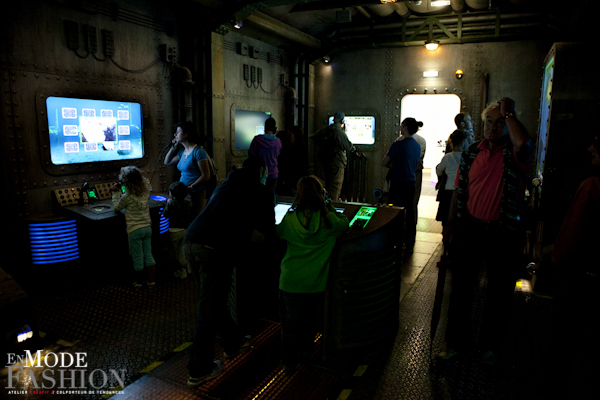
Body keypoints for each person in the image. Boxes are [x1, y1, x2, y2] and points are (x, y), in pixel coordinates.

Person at [438, 98, 533, 364]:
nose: (492, 127)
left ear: (509, 124)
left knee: (498, 293)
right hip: (470, 229)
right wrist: (450, 224)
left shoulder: (515, 154)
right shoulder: (471, 152)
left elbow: (523, 144)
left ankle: (490, 347)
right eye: (489, 121)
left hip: (503, 232)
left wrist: (509, 113)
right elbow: (459, 190)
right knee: (461, 291)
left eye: (500, 122)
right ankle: (457, 344)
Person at [182, 156, 276, 387]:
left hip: (190, 243)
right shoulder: (262, 192)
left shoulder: (225, 185)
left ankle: (232, 341)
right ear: (262, 170)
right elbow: (268, 231)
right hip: (215, 250)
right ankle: (199, 369)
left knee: (213, 301)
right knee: (208, 308)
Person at [276, 175, 349, 372]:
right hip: (315, 284)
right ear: (322, 194)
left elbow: (278, 233)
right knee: (308, 322)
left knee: (289, 325)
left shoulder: (290, 219)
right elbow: (345, 222)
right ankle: (306, 353)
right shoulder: (329, 221)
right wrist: (329, 205)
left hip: (290, 281)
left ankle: (288, 362)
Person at [549, 135, 600, 398]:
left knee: (567, 343)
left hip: (580, 278)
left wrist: (556, 261)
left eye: (597, 143)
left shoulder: (592, 186)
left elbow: (571, 237)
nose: (590, 147)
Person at [111, 166, 156, 288]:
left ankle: (139, 281)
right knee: (148, 254)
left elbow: (117, 208)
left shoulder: (127, 197)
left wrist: (115, 193)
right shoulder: (145, 193)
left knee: (137, 256)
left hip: (134, 230)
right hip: (147, 228)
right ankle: (151, 282)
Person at [382, 118, 423, 253]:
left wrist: (392, 165)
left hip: (397, 183)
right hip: (410, 183)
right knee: (409, 213)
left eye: (402, 125)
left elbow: (385, 162)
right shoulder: (417, 146)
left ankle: (394, 241)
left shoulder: (398, 145)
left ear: (405, 127)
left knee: (394, 211)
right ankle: (409, 242)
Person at [164, 121, 212, 216]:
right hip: (182, 194)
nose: (175, 134)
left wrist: (191, 187)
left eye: (178, 132)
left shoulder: (198, 152)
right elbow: (167, 162)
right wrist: (174, 147)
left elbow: (206, 175)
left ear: (186, 134)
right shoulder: (182, 152)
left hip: (196, 193)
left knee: (193, 218)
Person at [313, 112, 357, 201]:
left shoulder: (326, 130)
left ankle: (326, 203)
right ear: (342, 121)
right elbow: (348, 146)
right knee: (335, 187)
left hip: (326, 161)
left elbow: (315, 137)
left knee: (327, 185)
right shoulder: (339, 132)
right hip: (337, 162)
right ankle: (333, 205)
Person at [163, 181, 193, 279]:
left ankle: (182, 271)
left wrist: (167, 203)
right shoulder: (189, 204)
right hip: (186, 230)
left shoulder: (171, 203)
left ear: (172, 194)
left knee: (177, 253)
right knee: (184, 250)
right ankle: (189, 268)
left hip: (174, 231)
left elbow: (166, 214)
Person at [435, 130, 466, 226]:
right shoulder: (466, 156)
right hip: (462, 191)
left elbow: (439, 171)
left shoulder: (447, 157)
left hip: (448, 191)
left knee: (446, 219)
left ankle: (445, 238)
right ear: (462, 142)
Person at [248, 117, 282, 192]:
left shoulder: (257, 140)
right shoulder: (278, 142)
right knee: (271, 198)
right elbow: (278, 155)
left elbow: (251, 156)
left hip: (259, 175)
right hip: (273, 174)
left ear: (265, 127)